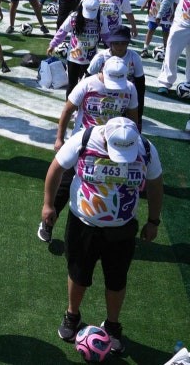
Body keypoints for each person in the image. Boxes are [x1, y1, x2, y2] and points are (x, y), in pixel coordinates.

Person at [41, 116, 163, 354]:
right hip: (83, 225)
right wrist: (49, 204)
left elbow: (156, 183)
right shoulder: (84, 139)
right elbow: (56, 168)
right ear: (105, 137)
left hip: (123, 229)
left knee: (117, 279)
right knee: (78, 273)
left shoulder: (146, 149)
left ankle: (113, 325)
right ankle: (72, 315)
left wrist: (153, 221)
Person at [39, 56, 139, 244]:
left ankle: (112, 228)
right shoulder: (88, 84)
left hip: (115, 146)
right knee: (65, 183)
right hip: (84, 143)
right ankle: (49, 220)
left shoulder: (130, 89)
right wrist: (60, 138)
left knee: (115, 185)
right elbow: (68, 110)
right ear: (103, 72)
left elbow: (133, 120)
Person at [48, 0, 102, 99]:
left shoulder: (101, 18)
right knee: (72, 84)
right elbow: (62, 32)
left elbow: (106, 35)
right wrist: (53, 44)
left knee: (88, 85)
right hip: (74, 57)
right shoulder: (74, 17)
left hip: (91, 58)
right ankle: (70, 108)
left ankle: (84, 108)